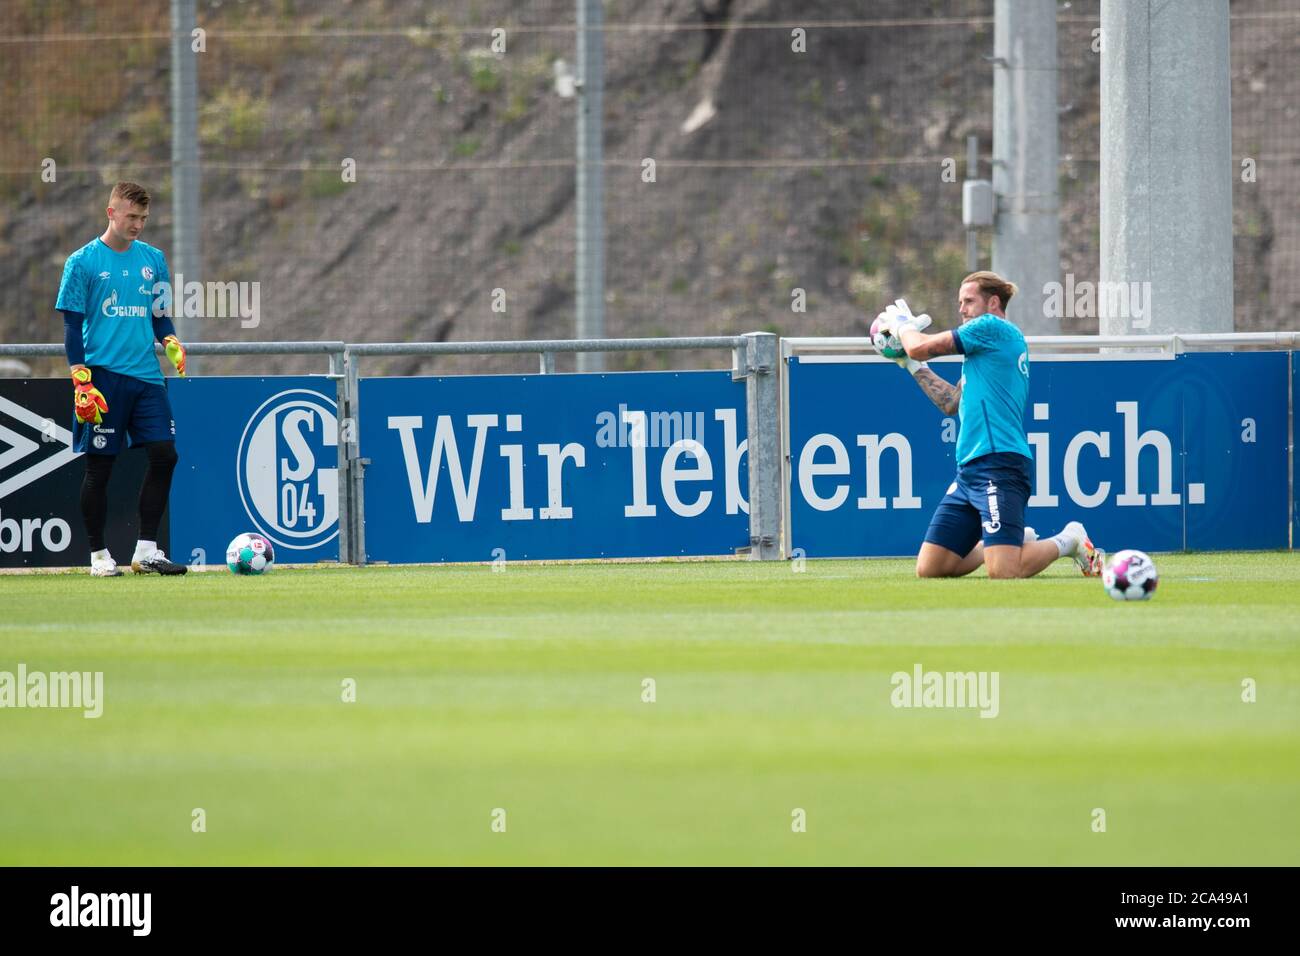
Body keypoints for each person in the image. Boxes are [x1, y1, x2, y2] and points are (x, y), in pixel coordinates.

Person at [874, 271, 1103, 579]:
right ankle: (1006, 543)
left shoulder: (992, 328)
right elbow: (950, 403)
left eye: (969, 301)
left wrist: (903, 328)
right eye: (959, 302)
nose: (961, 309)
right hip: (969, 471)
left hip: (1000, 464)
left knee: (1005, 572)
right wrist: (912, 365)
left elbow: (918, 345)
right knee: (931, 568)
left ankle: (1070, 539)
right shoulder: (983, 354)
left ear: (993, 303)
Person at [55, 181, 189, 576]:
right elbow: (71, 325)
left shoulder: (154, 259)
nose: (138, 224)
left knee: (165, 455)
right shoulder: (82, 262)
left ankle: (146, 550)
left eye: (144, 218)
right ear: (111, 212)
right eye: (132, 216)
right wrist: (80, 378)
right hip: (102, 378)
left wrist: (169, 339)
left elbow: (160, 316)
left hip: (147, 378)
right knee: (100, 468)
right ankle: (98, 555)